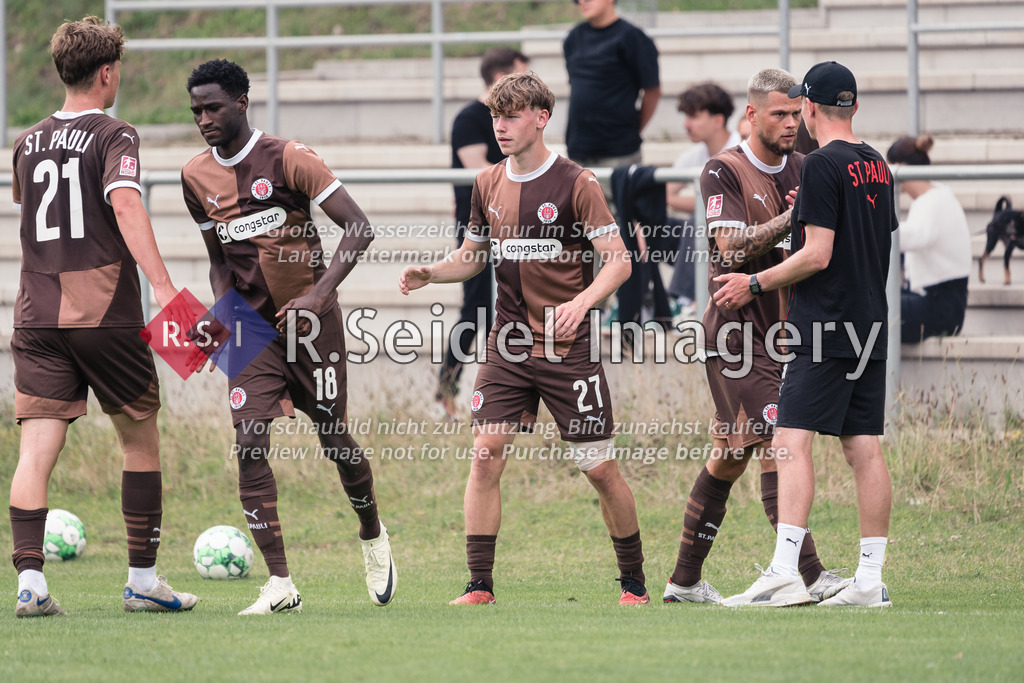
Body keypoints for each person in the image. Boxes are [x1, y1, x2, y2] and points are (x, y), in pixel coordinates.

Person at [399, 71, 649, 606]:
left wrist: (582, 303)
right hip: (507, 347)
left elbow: (618, 261)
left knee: (599, 469)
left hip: (567, 349)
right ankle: (479, 585)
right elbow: (473, 256)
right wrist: (433, 273)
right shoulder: (487, 183)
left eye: (511, 116)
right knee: (486, 454)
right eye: (495, 116)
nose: (501, 126)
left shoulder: (576, 183)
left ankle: (634, 584)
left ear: (541, 118)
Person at [181, 59, 395, 615]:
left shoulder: (289, 157)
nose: (203, 118)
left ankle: (372, 533)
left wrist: (320, 295)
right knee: (249, 442)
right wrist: (217, 314)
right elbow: (219, 262)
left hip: (308, 324)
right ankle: (281, 585)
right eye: (196, 110)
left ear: (241, 103)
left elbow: (360, 227)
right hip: (248, 329)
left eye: (213, 107)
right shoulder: (194, 176)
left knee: (332, 437)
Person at [9, 16, 197, 617]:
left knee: (35, 451)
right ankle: (142, 578)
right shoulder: (116, 134)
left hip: (36, 314)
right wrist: (164, 288)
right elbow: (124, 203)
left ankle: (30, 586)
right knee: (139, 437)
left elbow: (32, 204)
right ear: (108, 73)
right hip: (103, 310)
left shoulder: (26, 140)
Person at [714, 61, 898, 607]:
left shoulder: (819, 164)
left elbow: (816, 254)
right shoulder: (878, 164)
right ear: (855, 106)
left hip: (827, 324)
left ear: (812, 108)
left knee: (790, 442)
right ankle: (868, 581)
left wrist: (754, 280)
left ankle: (784, 571)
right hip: (870, 323)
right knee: (864, 447)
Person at [663, 68, 846, 606]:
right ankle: (808, 576)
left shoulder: (807, 165)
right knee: (779, 444)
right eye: (779, 115)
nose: (791, 124)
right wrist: (797, 215)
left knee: (729, 456)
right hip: (736, 339)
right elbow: (733, 247)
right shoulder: (724, 170)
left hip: (784, 336)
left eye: (796, 114)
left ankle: (684, 582)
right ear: (751, 114)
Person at [439, 47, 529, 418]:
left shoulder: (519, 120)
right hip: (480, 224)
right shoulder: (471, 119)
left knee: (519, 303)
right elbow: (480, 170)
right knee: (476, 307)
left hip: (516, 223)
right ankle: (446, 390)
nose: (530, 83)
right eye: (522, 76)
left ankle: (515, 398)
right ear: (499, 78)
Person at [886, 134, 971, 343]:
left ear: (899, 167)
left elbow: (913, 237)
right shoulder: (936, 195)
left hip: (941, 308)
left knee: (870, 308)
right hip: (936, 302)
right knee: (871, 301)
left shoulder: (932, 201)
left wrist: (870, 225)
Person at [665, 82, 742, 312]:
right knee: (645, 226)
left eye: (694, 117)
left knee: (697, 222)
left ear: (718, 120)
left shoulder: (740, 149)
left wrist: (701, 207)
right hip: (703, 238)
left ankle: (683, 302)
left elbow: (728, 208)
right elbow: (664, 194)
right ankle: (646, 305)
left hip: (736, 238)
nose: (686, 125)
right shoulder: (694, 155)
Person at [563, 0, 661, 169]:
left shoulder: (633, 37)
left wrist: (632, 131)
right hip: (578, 148)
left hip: (618, 151)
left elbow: (652, 90)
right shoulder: (573, 38)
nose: (582, 2)